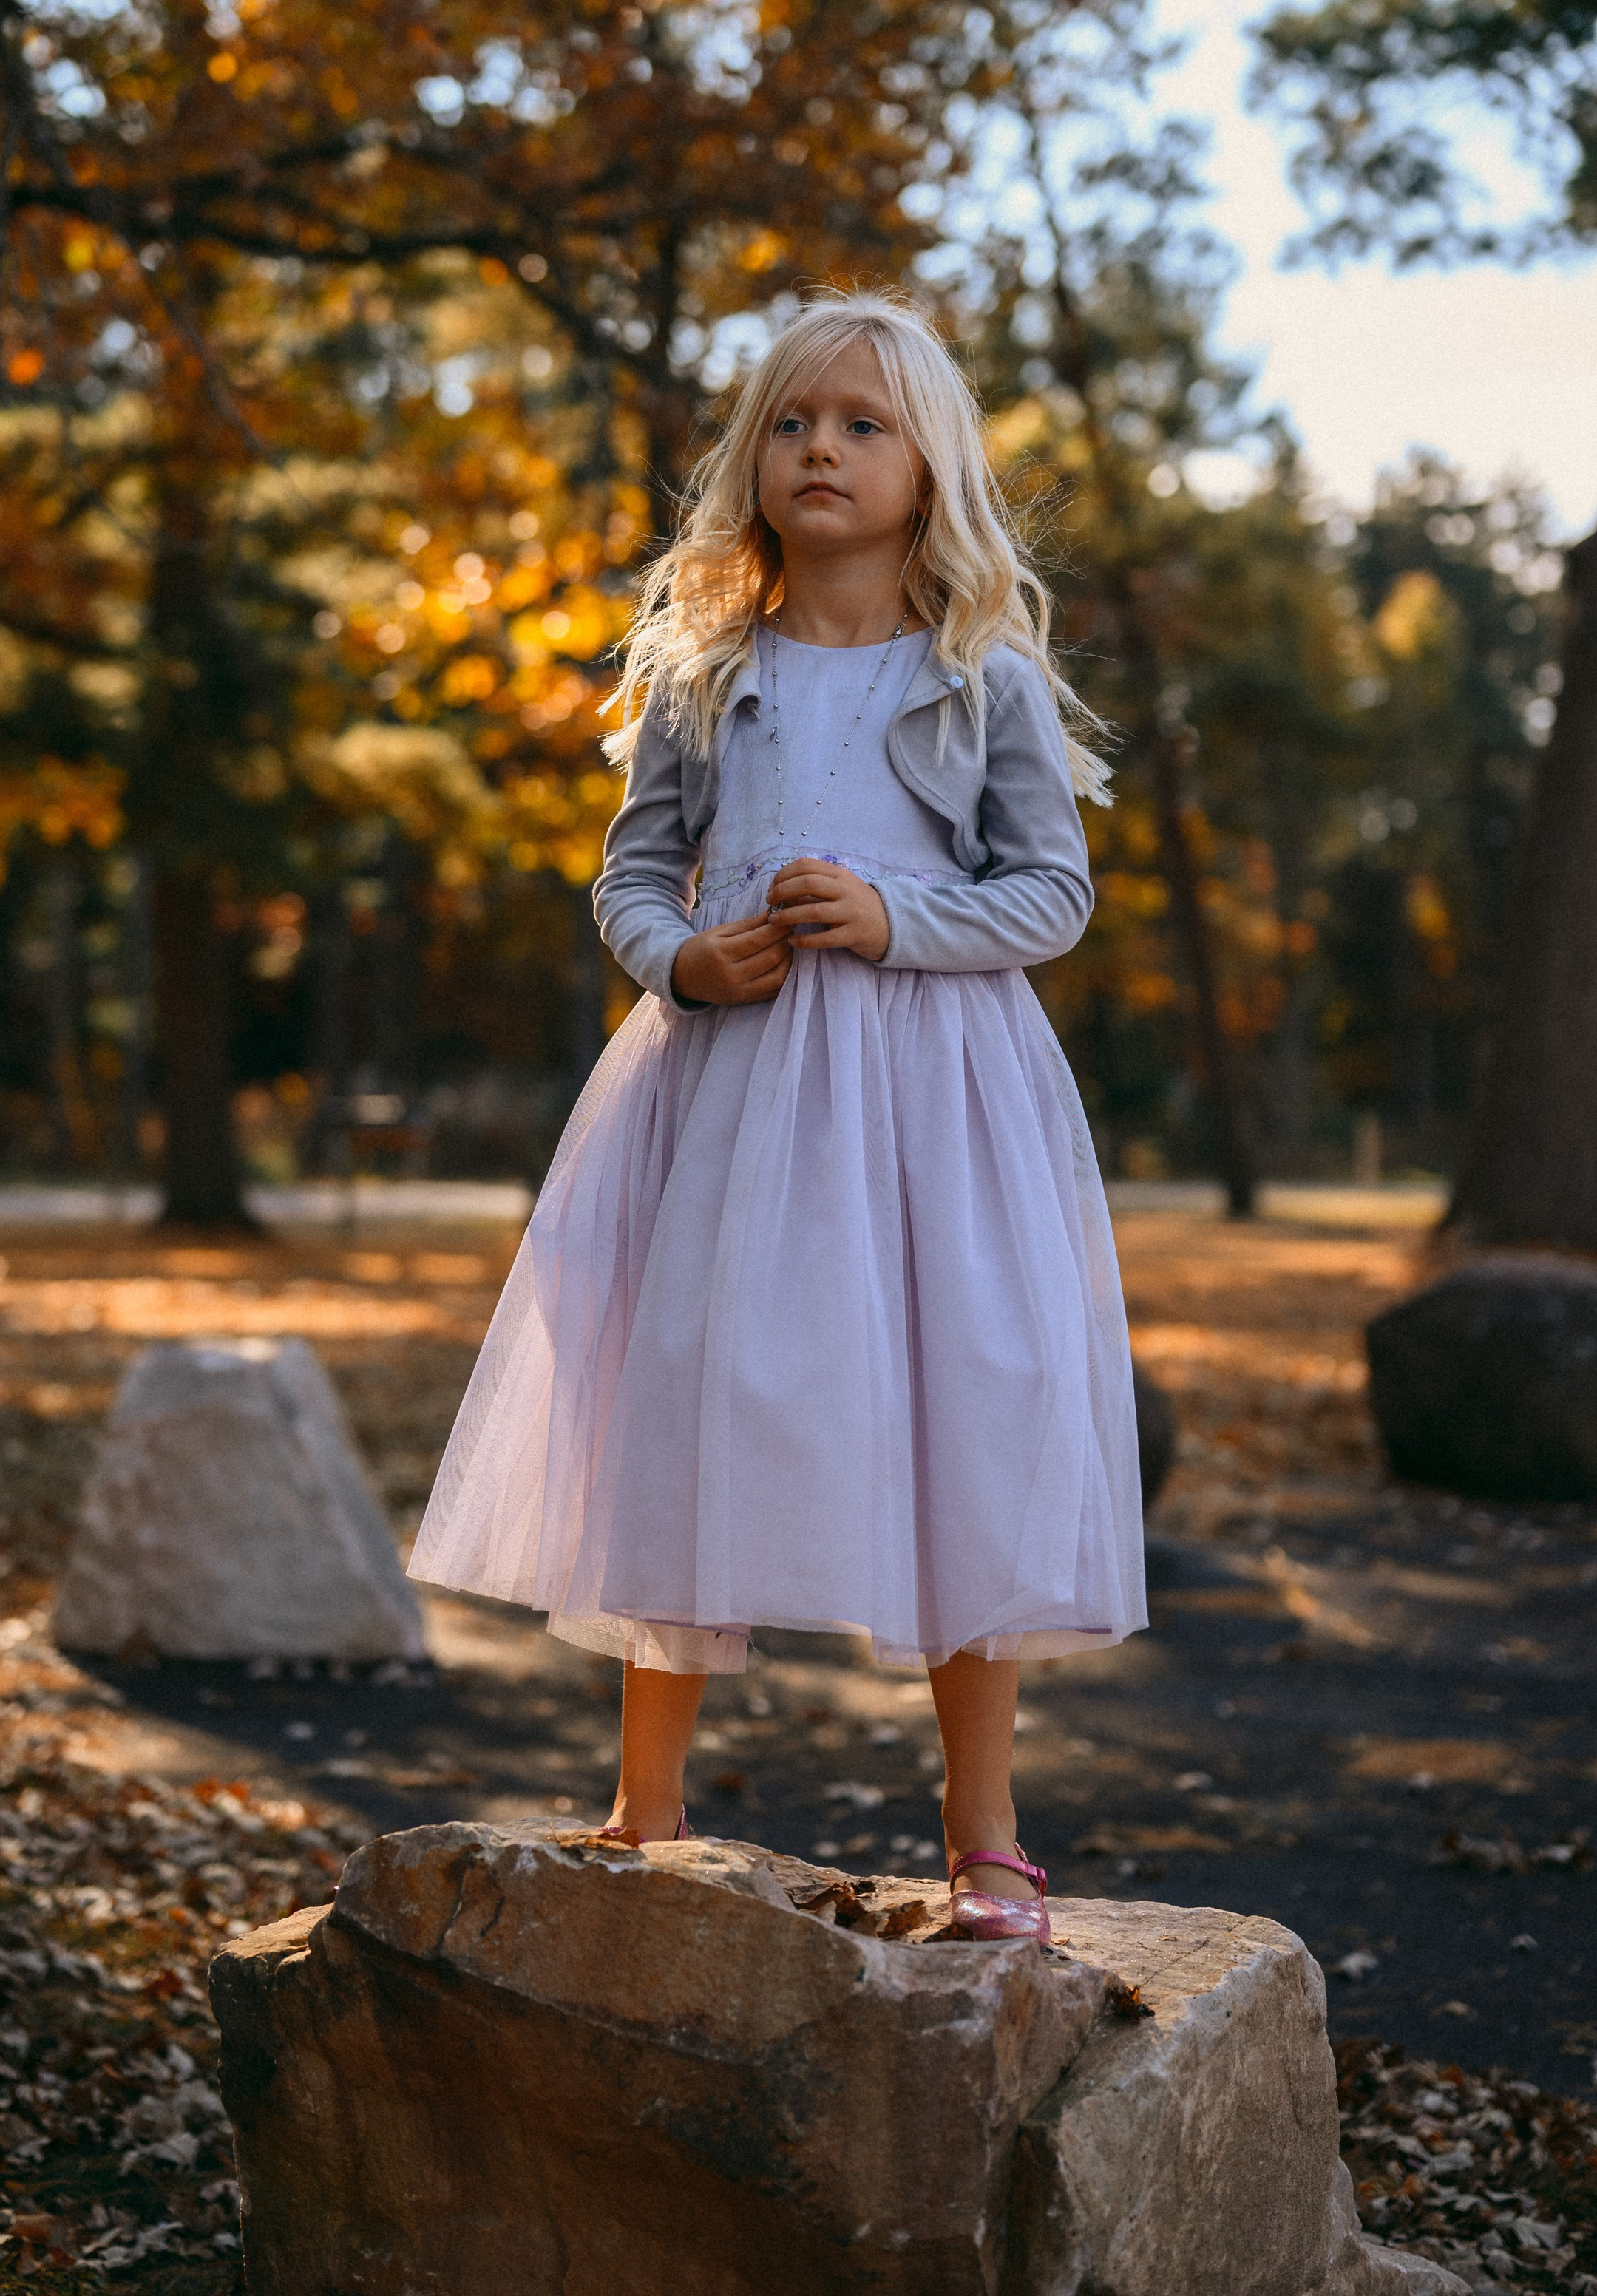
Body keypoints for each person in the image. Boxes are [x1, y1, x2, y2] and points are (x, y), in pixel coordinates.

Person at [409, 288, 1146, 1942]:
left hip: (929, 1106)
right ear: (752, 458)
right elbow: (628, 869)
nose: (823, 448)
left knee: (964, 1411)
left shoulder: (982, 676)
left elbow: (1050, 893)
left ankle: (982, 1832)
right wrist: (683, 959)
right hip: (730, 1094)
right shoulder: (699, 666)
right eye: (794, 421)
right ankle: (643, 1803)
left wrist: (896, 920)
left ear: (927, 468)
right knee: (684, 1400)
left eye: (862, 424)